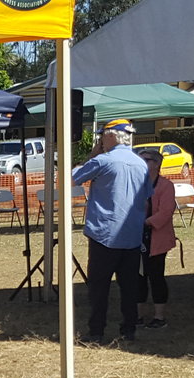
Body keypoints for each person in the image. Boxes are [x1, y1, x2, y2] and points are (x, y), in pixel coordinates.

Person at [71, 120, 154, 344]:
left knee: (99, 288)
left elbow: (71, 179)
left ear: (112, 136)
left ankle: (97, 331)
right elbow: (147, 196)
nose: (100, 140)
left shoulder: (103, 160)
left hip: (104, 235)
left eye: (102, 136)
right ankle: (128, 330)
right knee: (129, 287)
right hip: (131, 235)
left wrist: (91, 155)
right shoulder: (140, 164)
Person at [136, 147, 178, 329]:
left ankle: (159, 317)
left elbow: (167, 211)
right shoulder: (136, 183)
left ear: (156, 164)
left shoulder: (166, 186)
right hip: (135, 239)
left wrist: (147, 222)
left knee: (156, 277)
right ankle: (137, 315)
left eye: (145, 160)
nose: (142, 163)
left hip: (157, 239)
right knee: (137, 277)